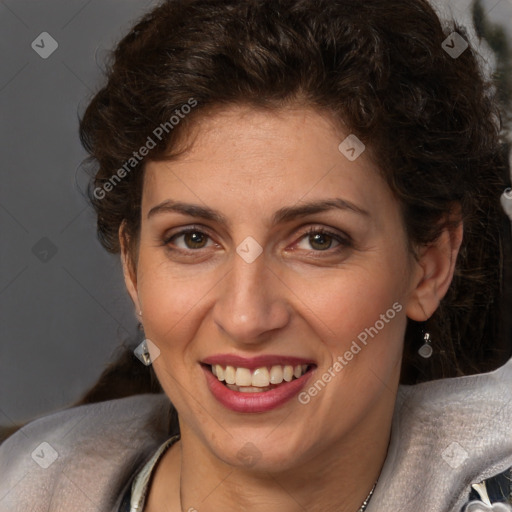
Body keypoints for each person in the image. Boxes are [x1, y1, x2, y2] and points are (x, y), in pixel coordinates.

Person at [1, 0, 512, 511]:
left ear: (430, 265)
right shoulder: (27, 488)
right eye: (193, 239)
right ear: (134, 269)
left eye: (318, 240)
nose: (246, 317)